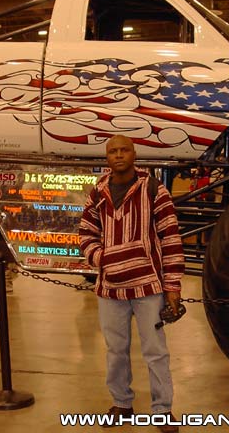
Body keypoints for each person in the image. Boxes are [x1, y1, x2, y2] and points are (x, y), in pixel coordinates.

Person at [79, 135, 184, 433]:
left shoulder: (154, 190)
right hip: (110, 289)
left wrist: (173, 285)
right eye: (113, 151)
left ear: (134, 154)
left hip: (148, 287)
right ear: (107, 157)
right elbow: (85, 232)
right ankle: (122, 404)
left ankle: (162, 410)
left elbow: (171, 237)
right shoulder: (97, 192)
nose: (119, 155)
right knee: (115, 350)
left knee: (155, 350)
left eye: (124, 150)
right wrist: (103, 258)